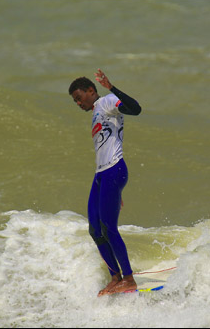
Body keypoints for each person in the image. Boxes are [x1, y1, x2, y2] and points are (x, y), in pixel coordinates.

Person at [68, 69, 142, 296]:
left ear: (92, 91)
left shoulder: (107, 102)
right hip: (101, 175)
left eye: (80, 97)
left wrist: (112, 87)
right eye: (75, 101)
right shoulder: (96, 112)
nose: (78, 103)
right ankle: (115, 277)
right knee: (95, 229)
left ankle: (128, 278)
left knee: (109, 228)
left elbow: (136, 109)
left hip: (114, 169)